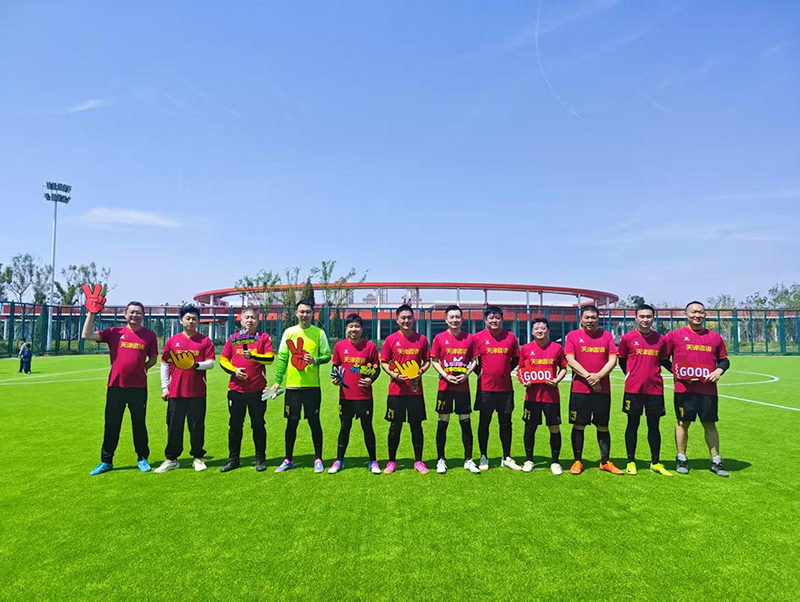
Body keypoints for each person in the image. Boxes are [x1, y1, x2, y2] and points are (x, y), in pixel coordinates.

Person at [82, 288, 159, 476]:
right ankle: (106, 461)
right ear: (125, 314)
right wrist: (91, 313)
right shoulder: (114, 332)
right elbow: (87, 335)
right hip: (115, 386)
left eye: (138, 313)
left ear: (143, 315)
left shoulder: (149, 336)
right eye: (131, 312)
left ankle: (142, 458)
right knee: (111, 425)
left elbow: (153, 359)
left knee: (139, 424)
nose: (135, 315)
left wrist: (142, 369)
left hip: (138, 388)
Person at [665, 301, 730, 477]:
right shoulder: (674, 336)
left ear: (705, 315)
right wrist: (679, 373)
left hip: (708, 390)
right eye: (693, 312)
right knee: (682, 422)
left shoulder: (715, 337)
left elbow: (724, 360)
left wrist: (718, 371)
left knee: (710, 424)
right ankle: (681, 458)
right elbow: (663, 358)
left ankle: (716, 460)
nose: (697, 315)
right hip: (684, 390)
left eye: (700, 312)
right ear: (686, 314)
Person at [271, 299, 332, 473]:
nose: (304, 315)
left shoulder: (319, 333)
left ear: (313, 314)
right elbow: (282, 358)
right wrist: (277, 381)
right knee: (291, 423)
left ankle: (318, 459)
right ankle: (288, 459)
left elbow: (327, 355)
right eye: (302, 312)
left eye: (308, 312)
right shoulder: (289, 332)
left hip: (312, 387)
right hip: (293, 387)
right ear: (296, 313)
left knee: (314, 422)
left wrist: (315, 360)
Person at [155, 305, 215, 473]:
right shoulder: (172, 341)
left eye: (194, 319)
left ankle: (198, 457)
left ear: (198, 321)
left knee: (197, 426)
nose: (191, 321)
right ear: (181, 320)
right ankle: (172, 459)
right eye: (187, 318)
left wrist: (195, 365)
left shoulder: (205, 341)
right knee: (174, 426)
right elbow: (165, 364)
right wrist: (164, 388)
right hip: (176, 391)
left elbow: (211, 363)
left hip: (197, 392)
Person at [564, 305, 623, 475]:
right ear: (581, 319)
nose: (590, 320)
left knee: (603, 426)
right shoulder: (573, 336)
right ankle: (577, 461)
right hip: (580, 389)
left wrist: (599, 376)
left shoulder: (606, 336)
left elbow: (612, 360)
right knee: (579, 425)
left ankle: (605, 461)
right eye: (587, 317)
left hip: (602, 390)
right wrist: (590, 377)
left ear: (598, 319)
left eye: (593, 318)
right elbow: (570, 359)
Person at [617, 304, 673, 476]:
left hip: (655, 389)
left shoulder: (661, 339)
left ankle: (655, 462)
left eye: (648, 316)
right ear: (636, 318)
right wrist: (631, 375)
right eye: (642, 316)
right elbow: (622, 360)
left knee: (654, 426)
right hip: (633, 389)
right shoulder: (627, 338)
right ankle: (631, 461)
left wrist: (680, 373)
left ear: (653, 318)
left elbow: (664, 360)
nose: (645, 320)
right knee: (632, 424)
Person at [218, 307, 275, 473]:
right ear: (241, 320)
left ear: (258, 320)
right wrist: (234, 371)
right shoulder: (233, 338)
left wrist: (253, 355)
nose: (250, 320)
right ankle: (233, 459)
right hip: (236, 390)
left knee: (258, 424)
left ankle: (260, 459)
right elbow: (223, 359)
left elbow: (270, 358)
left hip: (257, 390)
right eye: (247, 317)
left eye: (253, 317)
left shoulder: (263, 338)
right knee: (235, 425)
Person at [380, 304, 431, 474]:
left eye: (409, 317)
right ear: (397, 320)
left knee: (416, 426)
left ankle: (418, 461)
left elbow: (427, 361)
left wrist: (420, 371)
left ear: (413, 319)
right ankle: (391, 461)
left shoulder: (421, 339)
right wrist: (394, 375)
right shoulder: (390, 340)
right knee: (395, 426)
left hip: (415, 391)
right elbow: (384, 362)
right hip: (396, 391)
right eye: (403, 318)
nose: (406, 320)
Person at [430, 305, 481, 474]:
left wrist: (466, 374)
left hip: (463, 388)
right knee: (443, 421)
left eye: (457, 317)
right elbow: (434, 360)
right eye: (451, 317)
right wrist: (445, 375)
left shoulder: (470, 338)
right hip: (445, 387)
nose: (454, 320)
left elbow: (474, 360)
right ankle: (441, 459)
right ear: (446, 320)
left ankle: (468, 460)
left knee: (465, 422)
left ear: (462, 319)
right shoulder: (439, 338)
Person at [329, 313, 381, 474]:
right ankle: (339, 461)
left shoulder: (370, 347)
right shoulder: (340, 346)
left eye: (357, 326)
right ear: (346, 329)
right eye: (351, 326)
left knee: (367, 428)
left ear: (362, 329)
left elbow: (377, 369)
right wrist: (336, 379)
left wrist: (371, 379)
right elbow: (335, 367)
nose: (354, 329)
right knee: (344, 428)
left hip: (364, 396)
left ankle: (373, 461)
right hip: (345, 397)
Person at [473, 306, 521, 471]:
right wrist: (482, 373)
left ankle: (506, 456)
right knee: (484, 423)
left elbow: (516, 359)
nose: (494, 321)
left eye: (497, 318)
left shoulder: (510, 337)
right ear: (485, 320)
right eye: (491, 318)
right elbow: (473, 361)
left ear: (502, 319)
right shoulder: (478, 338)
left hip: (505, 389)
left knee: (506, 423)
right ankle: (483, 456)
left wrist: (504, 371)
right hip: (485, 389)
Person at [518, 318, 567, 475]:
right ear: (532, 331)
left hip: (551, 397)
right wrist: (524, 380)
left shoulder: (557, 348)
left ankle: (555, 462)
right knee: (529, 428)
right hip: (532, 397)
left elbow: (564, 368)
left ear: (548, 330)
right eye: (537, 328)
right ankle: (529, 460)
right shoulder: (526, 349)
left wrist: (557, 380)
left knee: (554, 428)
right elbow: (521, 368)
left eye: (543, 328)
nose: (540, 331)